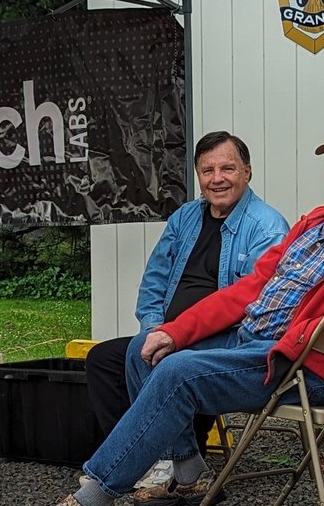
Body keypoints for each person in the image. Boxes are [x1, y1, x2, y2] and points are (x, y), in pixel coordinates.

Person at [58, 120, 324, 506]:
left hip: (300, 364)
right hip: (251, 339)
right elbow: (250, 288)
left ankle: (95, 493)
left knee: (176, 374)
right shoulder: (316, 221)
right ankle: (188, 472)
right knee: (148, 349)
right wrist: (176, 331)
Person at [84, 130, 288, 498]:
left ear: (248, 171)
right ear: (198, 175)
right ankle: (178, 464)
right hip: (171, 331)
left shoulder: (266, 227)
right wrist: (153, 327)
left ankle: (160, 464)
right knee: (103, 359)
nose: (217, 178)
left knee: (152, 355)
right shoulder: (185, 218)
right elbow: (153, 283)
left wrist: (175, 335)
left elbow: (251, 305)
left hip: (230, 337)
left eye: (227, 168)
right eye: (207, 170)